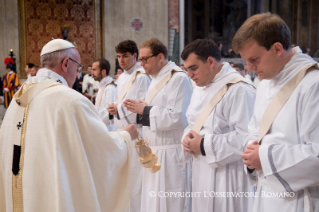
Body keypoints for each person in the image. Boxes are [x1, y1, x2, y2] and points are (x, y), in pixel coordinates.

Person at [0, 39, 139, 212]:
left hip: (24, 190)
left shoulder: (19, 97)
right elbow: (100, 151)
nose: (78, 74)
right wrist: (125, 137)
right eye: (78, 67)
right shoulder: (69, 100)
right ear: (66, 63)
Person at [232, 13, 319, 212]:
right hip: (266, 192)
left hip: (299, 199)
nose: (250, 68)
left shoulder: (313, 84)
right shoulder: (265, 83)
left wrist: (264, 157)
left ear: (277, 48)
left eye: (254, 59)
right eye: (246, 61)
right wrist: (251, 147)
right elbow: (255, 128)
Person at [181, 39, 255, 212]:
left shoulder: (239, 89)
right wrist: (186, 138)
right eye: (187, 70)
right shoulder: (199, 86)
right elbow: (192, 122)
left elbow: (247, 138)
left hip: (228, 176)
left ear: (210, 62)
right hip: (201, 169)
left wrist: (203, 144)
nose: (190, 75)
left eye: (193, 68)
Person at [123, 38, 192, 212]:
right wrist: (140, 110)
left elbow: (178, 116)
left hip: (170, 153)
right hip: (154, 151)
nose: (141, 63)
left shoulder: (178, 78)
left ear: (160, 57)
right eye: (141, 60)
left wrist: (145, 110)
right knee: (152, 204)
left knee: (169, 204)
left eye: (145, 59)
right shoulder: (155, 79)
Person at [108, 40, 151, 212]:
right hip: (122, 132)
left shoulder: (141, 77)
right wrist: (114, 108)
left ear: (135, 56)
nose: (121, 60)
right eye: (118, 57)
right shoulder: (122, 78)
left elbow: (141, 107)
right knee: (124, 179)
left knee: (136, 180)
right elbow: (121, 103)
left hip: (137, 134)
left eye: (125, 56)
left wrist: (117, 109)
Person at [92, 58, 116, 131]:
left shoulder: (110, 88)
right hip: (100, 126)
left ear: (103, 71)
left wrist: (93, 118)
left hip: (108, 128)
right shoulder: (102, 86)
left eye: (94, 70)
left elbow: (109, 111)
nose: (92, 73)